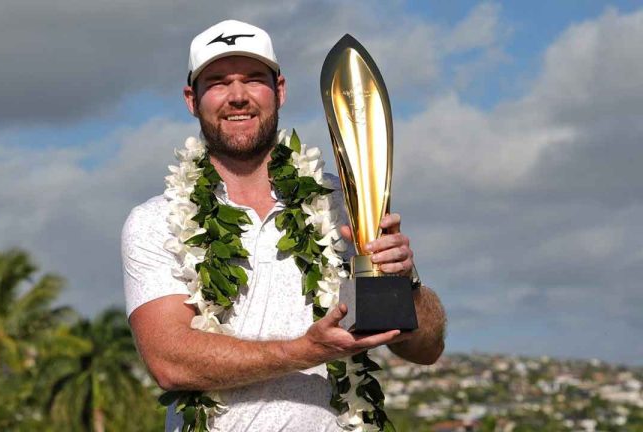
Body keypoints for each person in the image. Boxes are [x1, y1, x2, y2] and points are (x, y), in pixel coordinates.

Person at [122, 19, 446, 431]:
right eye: (218, 82)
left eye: (254, 79)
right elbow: (170, 361)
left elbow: (426, 349)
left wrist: (405, 282)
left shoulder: (345, 202)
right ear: (192, 98)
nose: (237, 96)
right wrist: (309, 349)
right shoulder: (157, 220)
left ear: (279, 91)